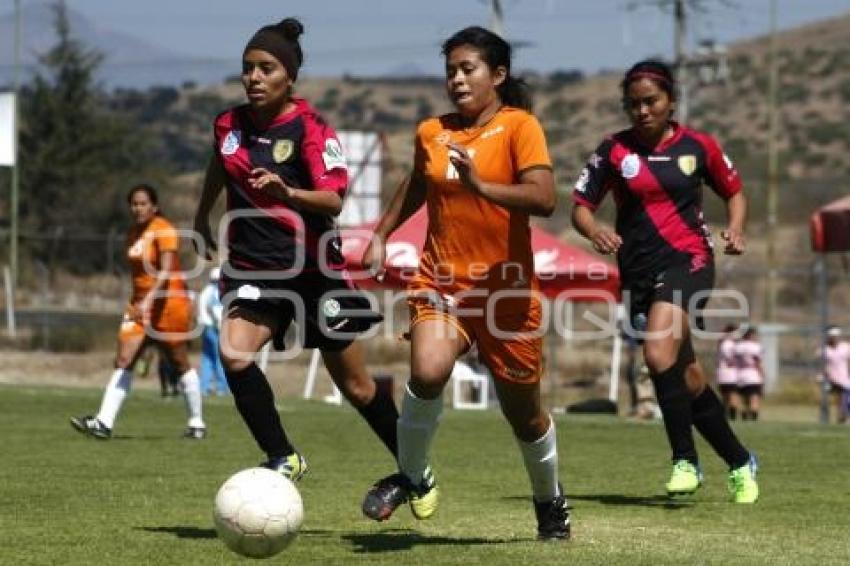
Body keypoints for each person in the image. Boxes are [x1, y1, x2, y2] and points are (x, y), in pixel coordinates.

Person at [360, 27, 569, 540]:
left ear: (497, 75)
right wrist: (382, 232)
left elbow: (543, 198)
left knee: (527, 418)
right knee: (428, 370)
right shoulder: (431, 131)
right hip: (441, 282)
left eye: (467, 69)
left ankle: (550, 502)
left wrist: (482, 186)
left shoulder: (521, 127)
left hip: (508, 295)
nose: (456, 79)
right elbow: (416, 183)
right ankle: (411, 476)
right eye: (450, 69)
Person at [192, 17, 399, 481]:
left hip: (312, 270)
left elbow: (333, 199)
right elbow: (219, 165)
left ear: (289, 76)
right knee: (233, 353)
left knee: (357, 387)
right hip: (252, 268)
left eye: (266, 68)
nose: (253, 78)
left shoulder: (311, 129)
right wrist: (200, 214)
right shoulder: (228, 123)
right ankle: (282, 455)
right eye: (248, 68)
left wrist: (287, 193)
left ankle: (415, 467)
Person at [571, 60, 759, 503]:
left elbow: (734, 190)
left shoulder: (699, 146)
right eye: (633, 103)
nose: (641, 110)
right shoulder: (613, 151)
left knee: (657, 353)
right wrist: (593, 229)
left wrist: (736, 227)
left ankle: (685, 461)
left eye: (651, 101)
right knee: (686, 376)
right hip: (636, 270)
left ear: (671, 101)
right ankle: (739, 460)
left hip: (688, 260)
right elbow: (580, 205)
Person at [71, 184, 206, 439]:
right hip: (139, 305)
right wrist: (139, 301)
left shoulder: (163, 229)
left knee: (179, 362)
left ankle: (197, 423)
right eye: (134, 203)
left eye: (143, 203)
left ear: (154, 206)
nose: (138, 208)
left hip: (168, 304)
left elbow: (165, 271)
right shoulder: (133, 233)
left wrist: (150, 299)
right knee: (124, 360)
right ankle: (103, 423)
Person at [198, 267, 229, 396]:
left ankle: (203, 387)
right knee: (220, 359)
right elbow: (216, 311)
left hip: (206, 328)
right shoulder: (216, 292)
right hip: (216, 329)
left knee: (207, 359)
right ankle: (222, 388)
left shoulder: (205, 291)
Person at [821, 326, 850, 424]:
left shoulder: (846, 347)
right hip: (830, 379)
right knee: (840, 395)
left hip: (845, 378)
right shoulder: (824, 349)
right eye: (832, 337)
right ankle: (841, 415)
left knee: (845, 396)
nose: (834, 339)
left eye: (836, 336)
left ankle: (843, 415)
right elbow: (821, 365)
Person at [735, 327, 764, 421]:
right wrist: (762, 373)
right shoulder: (755, 346)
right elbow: (757, 362)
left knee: (744, 399)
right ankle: (753, 419)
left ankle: (744, 417)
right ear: (751, 335)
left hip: (741, 375)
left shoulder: (738, 346)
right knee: (754, 398)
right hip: (753, 375)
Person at [716, 324, 740, 419]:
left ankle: (724, 417)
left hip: (723, 374)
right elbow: (731, 359)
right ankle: (732, 417)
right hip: (730, 374)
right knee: (732, 396)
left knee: (726, 398)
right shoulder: (729, 344)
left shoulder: (722, 344)